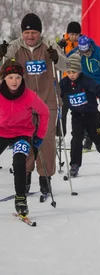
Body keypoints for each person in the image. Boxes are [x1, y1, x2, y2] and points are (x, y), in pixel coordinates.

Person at [1, 13, 67, 197]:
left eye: (34, 32)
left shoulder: (48, 45)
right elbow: (3, 71)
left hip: (48, 101)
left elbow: (64, 66)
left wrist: (56, 58)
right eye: (27, 32)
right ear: (23, 33)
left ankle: (45, 178)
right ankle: (26, 175)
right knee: (26, 139)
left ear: (40, 33)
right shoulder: (15, 46)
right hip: (24, 103)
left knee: (46, 140)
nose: (30, 36)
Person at [0, 59, 49, 216]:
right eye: (10, 77)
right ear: (4, 79)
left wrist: (39, 135)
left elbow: (44, 112)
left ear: (22, 79)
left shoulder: (28, 95)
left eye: (18, 77)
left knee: (19, 161)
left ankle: (20, 198)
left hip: (22, 133)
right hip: (1, 131)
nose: (14, 81)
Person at [60, 54, 100, 177]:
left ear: (79, 70)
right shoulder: (64, 83)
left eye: (74, 72)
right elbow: (57, 93)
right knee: (76, 138)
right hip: (76, 114)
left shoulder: (86, 80)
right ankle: (75, 164)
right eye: (68, 72)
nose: (71, 75)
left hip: (91, 114)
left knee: (96, 136)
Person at [56, 21, 81, 136]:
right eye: (72, 34)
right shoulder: (63, 44)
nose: (74, 37)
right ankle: (60, 134)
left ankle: (79, 134)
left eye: (76, 34)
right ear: (68, 34)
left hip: (79, 80)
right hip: (66, 80)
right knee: (63, 108)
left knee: (79, 110)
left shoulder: (82, 43)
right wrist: (59, 48)